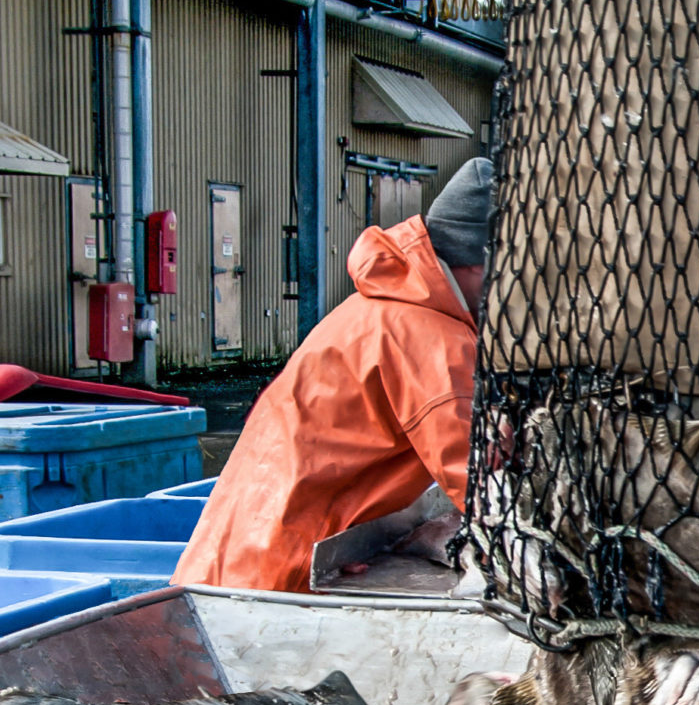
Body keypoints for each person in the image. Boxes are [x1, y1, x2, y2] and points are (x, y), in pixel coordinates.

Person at [173, 157, 492, 594]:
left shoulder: (378, 305)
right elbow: (480, 481)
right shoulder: (427, 333)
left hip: (241, 554)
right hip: (279, 575)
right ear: (480, 262)